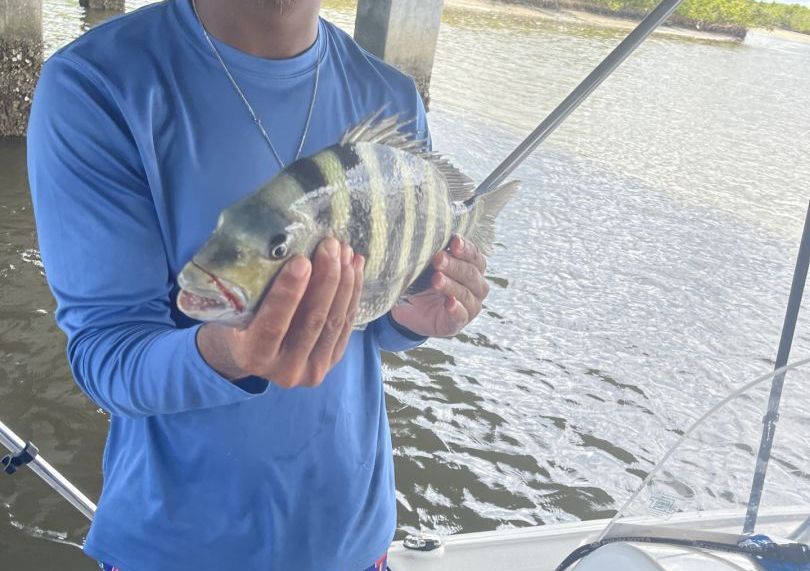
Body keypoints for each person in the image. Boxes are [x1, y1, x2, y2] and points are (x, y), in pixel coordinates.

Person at [26, 0, 490, 569]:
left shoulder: (392, 98)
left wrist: (414, 314)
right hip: (175, 552)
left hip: (355, 545)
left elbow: (373, 326)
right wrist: (228, 354)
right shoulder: (98, 85)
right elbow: (108, 355)